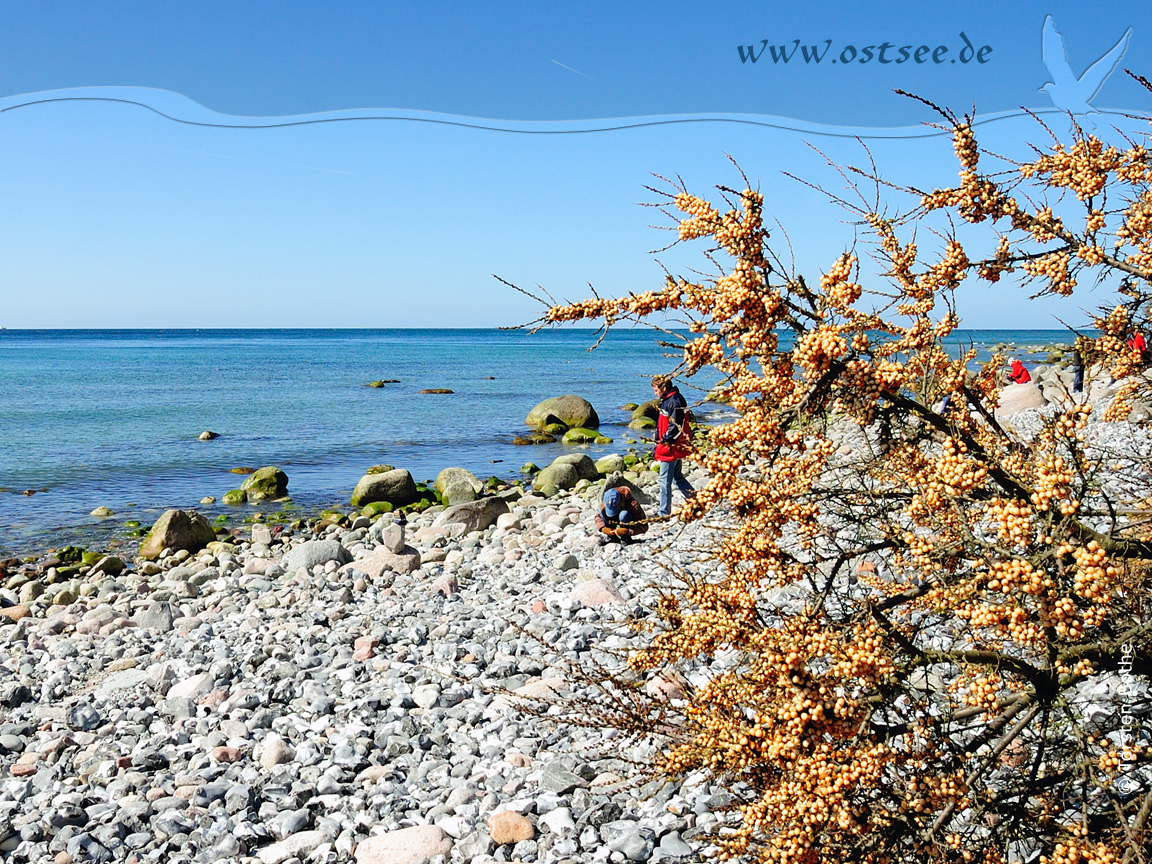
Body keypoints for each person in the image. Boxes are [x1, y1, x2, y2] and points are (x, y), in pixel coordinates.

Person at [651, 375, 695, 516]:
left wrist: (664, 442)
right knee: (677, 476)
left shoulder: (674, 402)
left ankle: (664, 512)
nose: (655, 393)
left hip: (670, 448)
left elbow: (676, 426)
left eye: (656, 390)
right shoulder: (670, 400)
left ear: (664, 388)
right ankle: (695, 500)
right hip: (671, 446)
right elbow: (665, 425)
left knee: (664, 481)